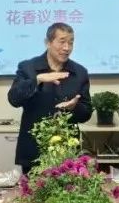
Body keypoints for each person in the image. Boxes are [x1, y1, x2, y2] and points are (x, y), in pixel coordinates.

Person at [8, 23, 92, 172]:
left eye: (71, 42)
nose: (67, 48)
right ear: (48, 42)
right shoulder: (28, 68)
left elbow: (86, 112)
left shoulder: (80, 72)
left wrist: (74, 107)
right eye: (62, 41)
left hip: (67, 152)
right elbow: (14, 99)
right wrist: (37, 80)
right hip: (34, 150)